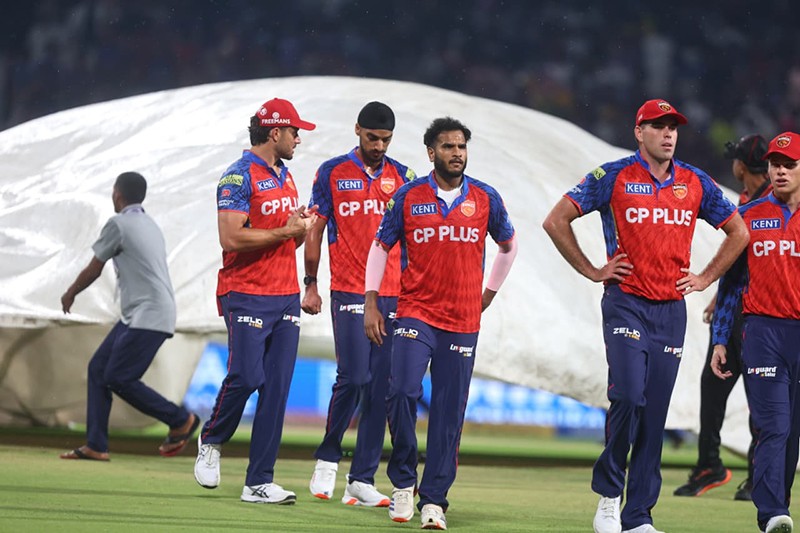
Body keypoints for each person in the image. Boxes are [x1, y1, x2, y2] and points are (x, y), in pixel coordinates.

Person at [542, 99, 748, 533]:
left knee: (654, 416)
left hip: (671, 311)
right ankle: (609, 497)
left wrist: (706, 277)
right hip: (626, 303)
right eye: (658, 126)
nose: (668, 134)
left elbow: (739, 231)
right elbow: (556, 220)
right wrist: (593, 270)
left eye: (673, 127)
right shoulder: (612, 176)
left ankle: (638, 515)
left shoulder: (694, 181)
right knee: (628, 396)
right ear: (639, 132)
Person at [364, 116, 518, 530]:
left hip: (463, 319)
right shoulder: (408, 196)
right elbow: (380, 247)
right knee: (401, 391)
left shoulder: (485, 198)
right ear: (431, 152)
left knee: (449, 414)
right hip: (416, 312)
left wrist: (488, 294)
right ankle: (403, 482)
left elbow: (508, 246)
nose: (457, 153)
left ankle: (434, 500)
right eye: (448, 147)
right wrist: (371, 301)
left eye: (461, 146)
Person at [193, 98, 318, 505]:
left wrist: (299, 229)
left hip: (284, 296)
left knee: (276, 390)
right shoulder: (237, 176)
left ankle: (259, 481)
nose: (298, 139)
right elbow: (230, 238)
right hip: (246, 292)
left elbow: (285, 241)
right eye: (294, 131)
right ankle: (212, 439)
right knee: (247, 377)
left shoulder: (286, 176)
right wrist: (285, 232)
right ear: (275, 132)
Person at [302, 101, 416, 507]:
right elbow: (315, 229)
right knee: (354, 376)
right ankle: (328, 457)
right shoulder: (332, 172)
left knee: (382, 388)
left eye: (386, 139)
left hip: (394, 294)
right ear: (357, 130)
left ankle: (361, 479)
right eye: (372, 138)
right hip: (350, 289)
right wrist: (311, 284)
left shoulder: (405, 177)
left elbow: (415, 239)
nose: (379, 146)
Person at [59, 171, 199, 462]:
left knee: (118, 377)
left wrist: (71, 292)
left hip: (148, 314)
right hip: (141, 313)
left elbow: (94, 268)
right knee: (99, 369)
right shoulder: (150, 224)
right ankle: (96, 445)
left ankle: (179, 419)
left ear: (117, 194)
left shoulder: (119, 224)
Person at [711, 131, 800, 533]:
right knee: (773, 426)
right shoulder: (747, 216)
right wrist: (719, 338)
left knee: (792, 431)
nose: (779, 171)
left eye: (789, 165)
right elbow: (731, 283)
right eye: (774, 165)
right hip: (763, 333)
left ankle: (780, 504)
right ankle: (772, 514)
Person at [674, 134, 771, 501]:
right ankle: (712, 466)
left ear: (741, 166)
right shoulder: (748, 203)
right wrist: (720, 296)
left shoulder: (767, 206)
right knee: (716, 389)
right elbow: (741, 265)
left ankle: (756, 476)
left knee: (758, 399)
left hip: (762, 318)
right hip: (736, 312)